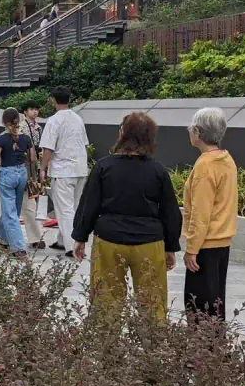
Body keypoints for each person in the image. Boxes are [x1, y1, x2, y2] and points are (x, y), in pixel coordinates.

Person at [72, 112, 182, 321]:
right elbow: (170, 211)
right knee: (152, 304)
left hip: (109, 240)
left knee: (106, 301)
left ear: (122, 133)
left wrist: (80, 236)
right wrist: (170, 247)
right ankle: (154, 348)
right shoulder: (158, 170)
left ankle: (104, 348)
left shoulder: (104, 166)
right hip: (149, 243)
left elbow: (89, 204)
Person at [183, 107, 238, 321]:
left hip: (205, 245)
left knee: (198, 307)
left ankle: (202, 354)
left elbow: (201, 213)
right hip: (222, 242)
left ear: (198, 132)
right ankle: (216, 351)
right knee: (215, 304)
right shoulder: (226, 160)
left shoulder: (205, 166)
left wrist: (192, 249)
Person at [40, 86, 89, 258]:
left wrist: (42, 169)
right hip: (80, 168)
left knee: (65, 209)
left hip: (63, 170)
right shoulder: (78, 119)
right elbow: (84, 144)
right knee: (74, 207)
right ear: (69, 99)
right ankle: (62, 240)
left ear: (53, 100)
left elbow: (48, 148)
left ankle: (71, 246)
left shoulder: (54, 120)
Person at [0, 108, 36, 260]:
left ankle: (19, 248)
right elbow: (32, 159)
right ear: (18, 121)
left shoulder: (2, 139)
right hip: (22, 174)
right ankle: (3, 238)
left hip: (7, 174)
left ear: (4, 122)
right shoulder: (26, 138)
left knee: (9, 213)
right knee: (14, 209)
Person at [19, 101, 47, 247]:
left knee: (32, 200)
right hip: (24, 166)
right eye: (31, 109)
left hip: (35, 166)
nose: (35, 112)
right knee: (27, 203)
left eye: (37, 109)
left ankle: (35, 237)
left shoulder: (39, 128)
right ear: (25, 111)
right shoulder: (21, 127)